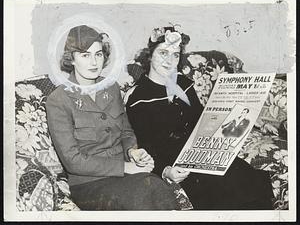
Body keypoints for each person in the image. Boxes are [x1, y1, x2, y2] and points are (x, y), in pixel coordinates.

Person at [125, 26, 274, 210]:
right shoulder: (138, 99)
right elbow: (144, 146)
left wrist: (245, 118)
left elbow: (202, 119)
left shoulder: (183, 82)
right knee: (224, 195)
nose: (169, 60)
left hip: (204, 150)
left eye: (175, 55)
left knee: (249, 181)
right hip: (179, 163)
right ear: (150, 55)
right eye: (163, 52)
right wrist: (166, 171)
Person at [46, 25, 178, 210]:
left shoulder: (111, 87)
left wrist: (132, 152)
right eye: (85, 55)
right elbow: (72, 161)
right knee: (144, 192)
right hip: (89, 185)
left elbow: (125, 131)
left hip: (126, 176)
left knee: (156, 188)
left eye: (98, 54)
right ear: (72, 59)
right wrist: (124, 167)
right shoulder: (58, 100)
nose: (94, 62)